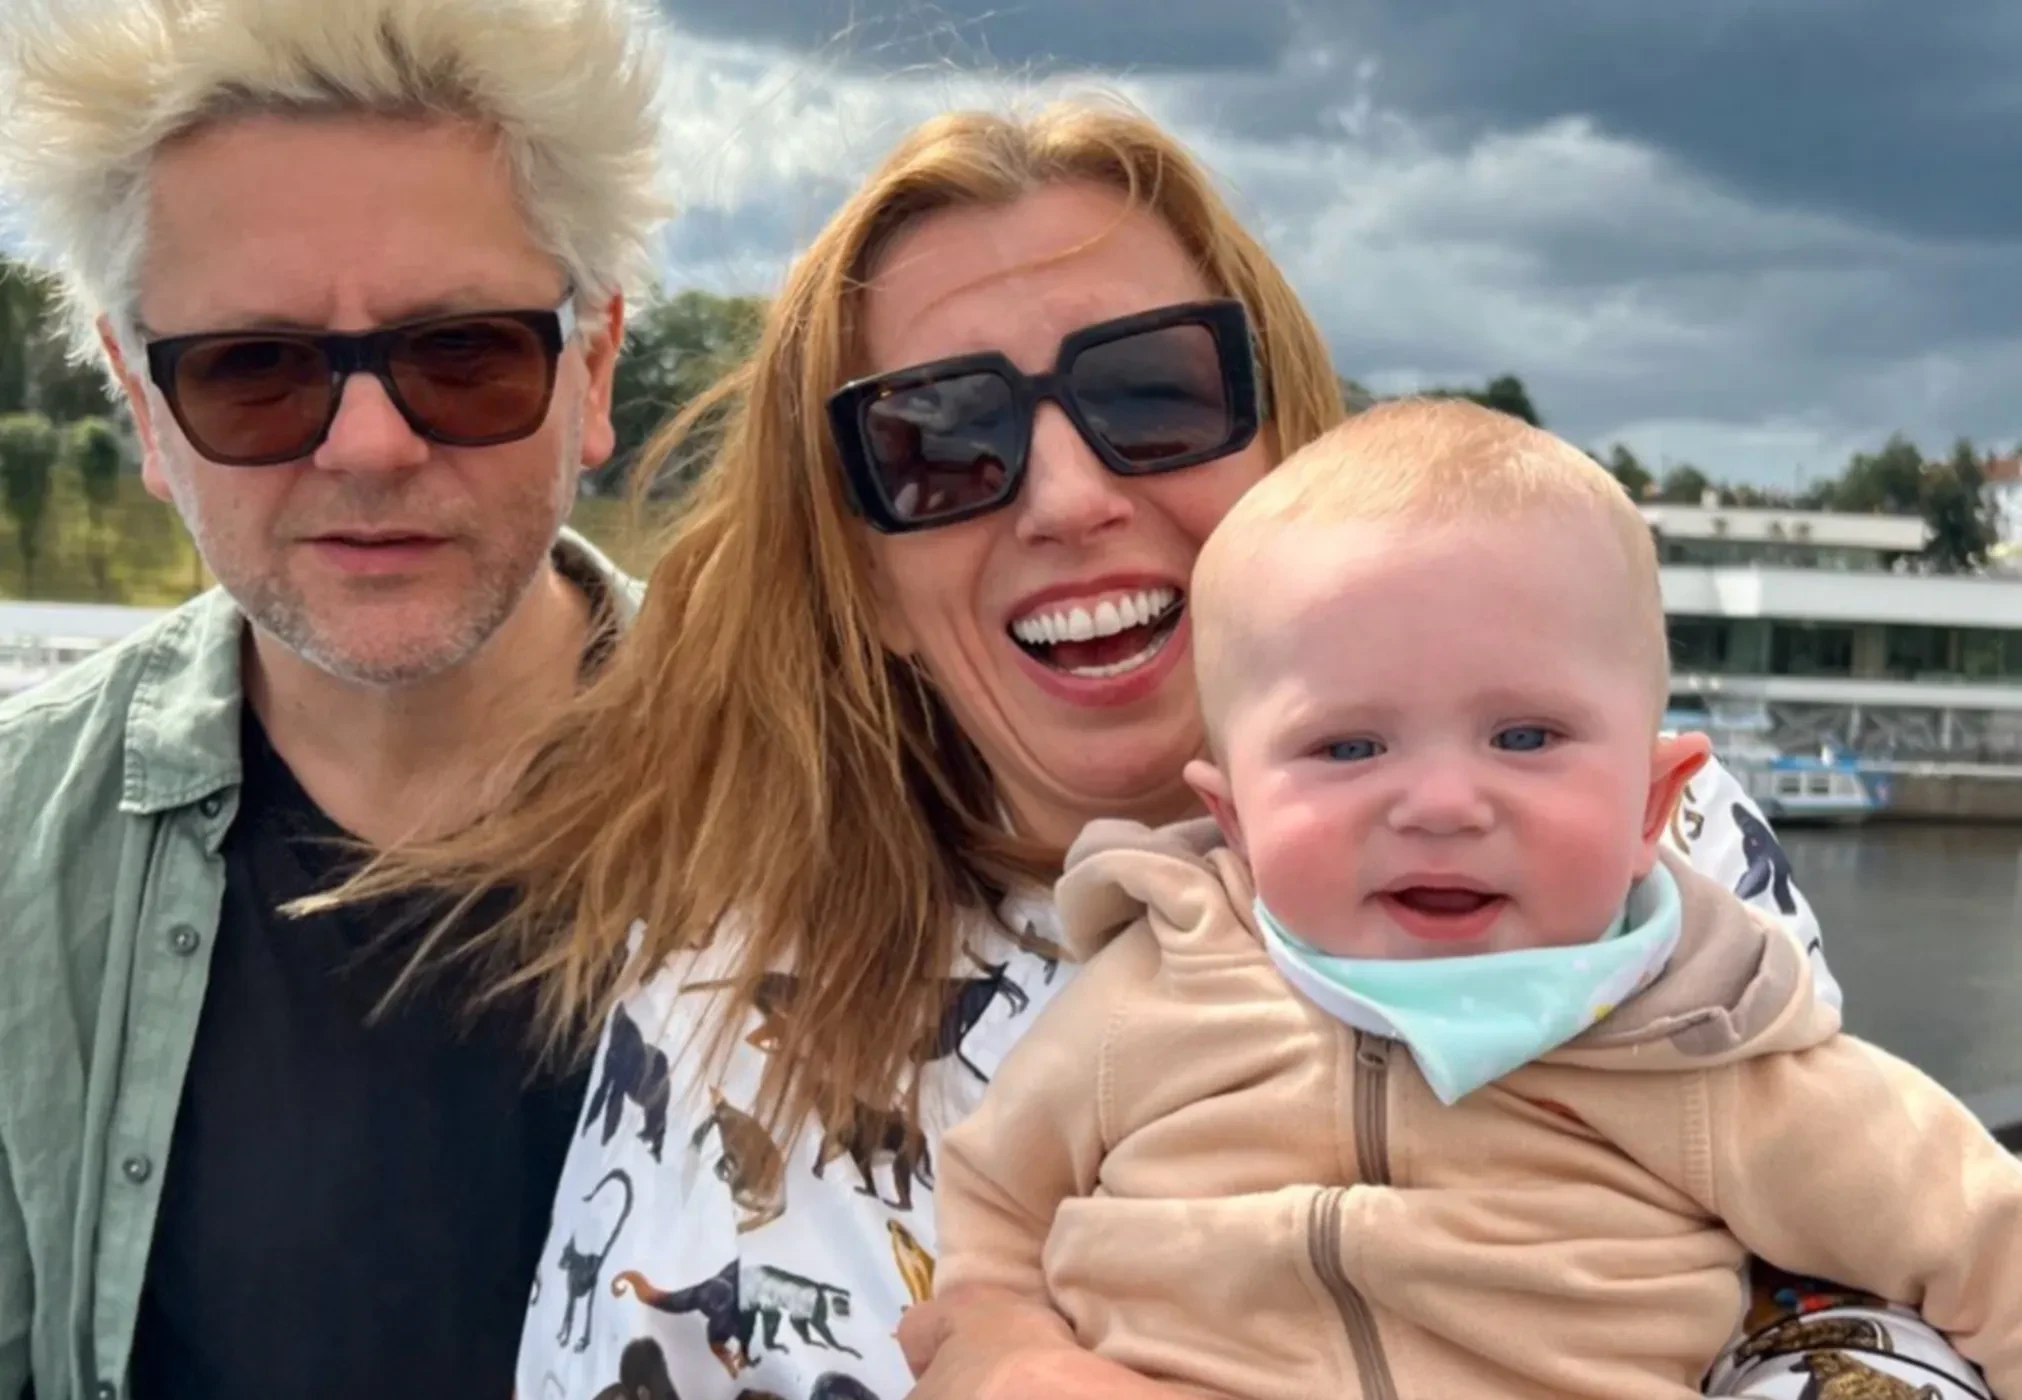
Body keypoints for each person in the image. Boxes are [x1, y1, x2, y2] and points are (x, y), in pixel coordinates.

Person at [351, 100, 1982, 1399]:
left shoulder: (1647, 847)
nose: (1068, 494)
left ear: (1286, 449)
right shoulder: (739, 1011)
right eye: (939, 443)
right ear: (866, 582)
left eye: (1152, 393)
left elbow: (1864, 1300)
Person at [924, 399, 2022, 1400]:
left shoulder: (1701, 1049)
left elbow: (1980, 1234)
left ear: (1652, 805)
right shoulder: (1157, 987)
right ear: (1236, 818)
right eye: (1348, 746)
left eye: (1525, 736)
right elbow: (998, 1195)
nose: (1442, 804)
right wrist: (1003, 1334)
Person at [0, 1, 670, 1396]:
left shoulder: (869, 814)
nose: (369, 445)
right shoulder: (18, 855)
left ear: (595, 365)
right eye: (251, 370)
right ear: (141, 404)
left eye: (464, 352)